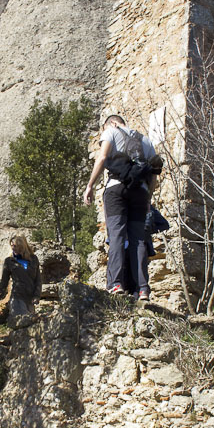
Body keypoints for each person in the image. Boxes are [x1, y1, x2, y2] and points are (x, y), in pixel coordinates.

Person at [83, 113, 159, 300]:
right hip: (140, 192)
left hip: (116, 189)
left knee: (116, 235)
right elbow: (154, 176)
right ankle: (143, 289)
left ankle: (115, 284)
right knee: (138, 239)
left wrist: (90, 185)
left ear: (111, 123)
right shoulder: (146, 141)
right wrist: (147, 198)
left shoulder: (111, 131)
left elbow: (102, 158)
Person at [0, 235, 42, 322]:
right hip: (17, 297)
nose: (13, 248)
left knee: (30, 325)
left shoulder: (33, 259)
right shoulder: (9, 261)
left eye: (15, 246)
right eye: (11, 246)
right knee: (20, 322)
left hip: (30, 299)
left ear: (22, 246)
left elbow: (38, 279)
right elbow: (3, 283)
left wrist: (37, 295)